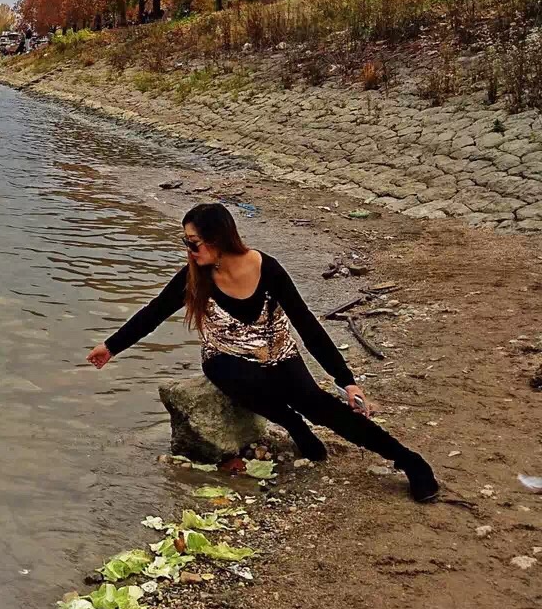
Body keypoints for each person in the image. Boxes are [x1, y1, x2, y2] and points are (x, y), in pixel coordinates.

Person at [87, 202, 438, 501]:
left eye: (192, 242)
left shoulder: (266, 268)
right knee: (244, 380)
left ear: (217, 239)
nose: (188, 250)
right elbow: (154, 311)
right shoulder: (194, 275)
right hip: (225, 358)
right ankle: (292, 423)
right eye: (186, 242)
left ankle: (409, 462)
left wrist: (345, 380)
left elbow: (307, 325)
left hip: (278, 352)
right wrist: (111, 347)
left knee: (319, 405)